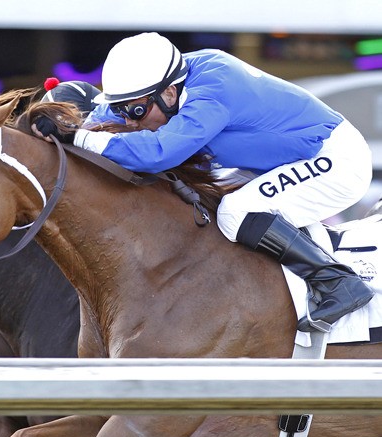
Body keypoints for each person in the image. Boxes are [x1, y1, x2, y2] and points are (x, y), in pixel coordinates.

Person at [36, 32, 374, 333]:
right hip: (276, 162)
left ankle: (336, 282)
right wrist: (67, 121)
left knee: (236, 212)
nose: (129, 121)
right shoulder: (162, 87)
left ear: (169, 92)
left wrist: (77, 137)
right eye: (123, 109)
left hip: (333, 159)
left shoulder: (213, 88)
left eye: (135, 112)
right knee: (205, 206)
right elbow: (108, 116)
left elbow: (159, 153)